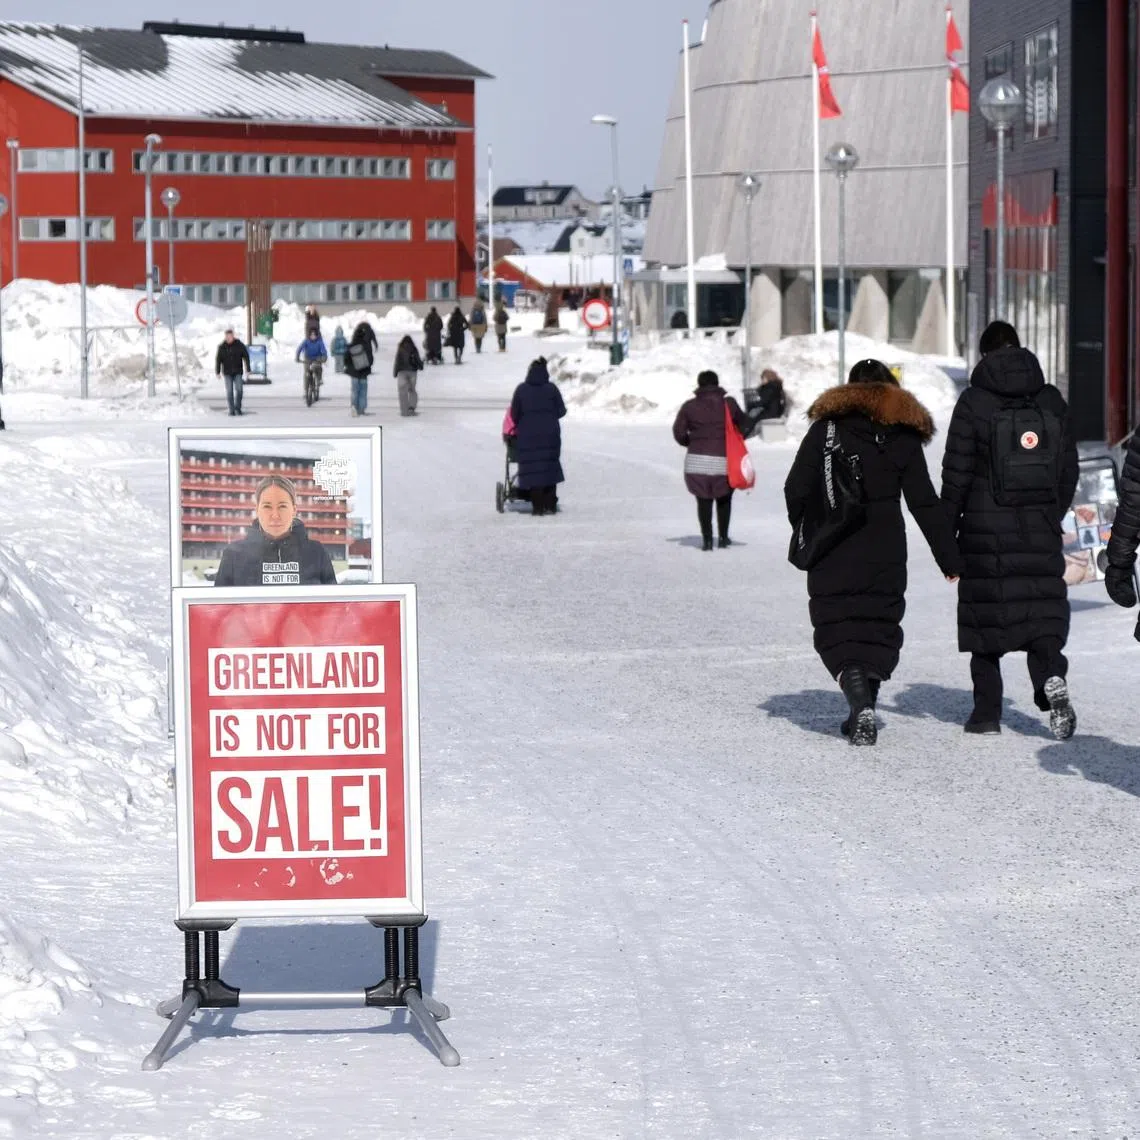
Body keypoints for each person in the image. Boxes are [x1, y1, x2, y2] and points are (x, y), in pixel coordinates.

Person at [785, 359, 963, 746]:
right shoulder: (903, 436)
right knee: (877, 627)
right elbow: (924, 503)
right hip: (885, 546)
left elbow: (795, 488)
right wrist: (949, 558)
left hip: (833, 545)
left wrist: (809, 527)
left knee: (839, 626)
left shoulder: (826, 430)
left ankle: (858, 701)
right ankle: (863, 705)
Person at [941, 320, 1079, 739]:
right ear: (1020, 348)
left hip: (984, 532)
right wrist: (1051, 513)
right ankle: (1049, 677)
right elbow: (1068, 468)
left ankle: (986, 715)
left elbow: (956, 477)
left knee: (986, 626)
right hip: (1038, 527)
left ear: (984, 355)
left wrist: (947, 540)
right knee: (1040, 616)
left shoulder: (973, 403)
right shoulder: (1051, 400)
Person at [672, 369, 753, 551]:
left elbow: (678, 432)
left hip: (696, 461)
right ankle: (723, 538)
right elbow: (746, 424)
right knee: (724, 498)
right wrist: (737, 440)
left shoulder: (689, 406)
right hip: (724, 460)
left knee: (703, 500)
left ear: (699, 385)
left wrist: (691, 442)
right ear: (717, 384)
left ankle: (707, 541)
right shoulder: (728, 404)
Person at [213, 475, 337, 587]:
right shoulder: (234, 555)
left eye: (282, 506)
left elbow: (334, 607)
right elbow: (218, 608)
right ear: (257, 509)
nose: (275, 515)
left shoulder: (316, 553)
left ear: (294, 510)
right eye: (267, 506)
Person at [510, 357, 566, 516]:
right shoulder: (552, 389)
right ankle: (550, 504)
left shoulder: (521, 390)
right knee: (549, 467)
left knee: (533, 469)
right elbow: (562, 411)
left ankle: (537, 506)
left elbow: (514, 415)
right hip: (550, 434)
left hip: (527, 435)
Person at [215, 327, 251, 417]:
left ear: (233, 336)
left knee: (239, 390)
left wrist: (248, 369)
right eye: (227, 336)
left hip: (238, 371)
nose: (228, 338)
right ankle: (231, 410)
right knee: (229, 392)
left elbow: (246, 356)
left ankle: (238, 408)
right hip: (227, 373)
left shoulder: (239, 345)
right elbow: (218, 360)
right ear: (225, 337)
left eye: (230, 336)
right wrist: (218, 372)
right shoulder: (222, 347)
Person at [344, 322, 377, 417]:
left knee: (354, 390)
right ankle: (361, 409)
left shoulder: (351, 345)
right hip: (364, 373)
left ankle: (354, 406)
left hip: (354, 373)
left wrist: (351, 367)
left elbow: (346, 359)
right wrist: (367, 366)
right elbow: (371, 360)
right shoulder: (366, 346)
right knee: (363, 391)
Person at [394, 335, 424, 417]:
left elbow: (397, 361)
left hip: (402, 372)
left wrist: (395, 372)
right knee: (412, 390)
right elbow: (417, 359)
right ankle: (411, 407)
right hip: (412, 372)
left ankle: (404, 411)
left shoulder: (400, 349)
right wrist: (421, 366)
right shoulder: (413, 348)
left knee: (402, 392)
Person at [295, 329, 328, 393]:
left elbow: (324, 350)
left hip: (317, 358)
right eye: (311, 335)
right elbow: (300, 348)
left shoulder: (319, 342)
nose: (313, 337)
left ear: (316, 336)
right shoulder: (306, 341)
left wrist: (324, 357)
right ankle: (307, 385)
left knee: (318, 368)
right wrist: (297, 357)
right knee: (307, 370)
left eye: (314, 335)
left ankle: (319, 379)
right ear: (309, 336)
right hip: (308, 358)